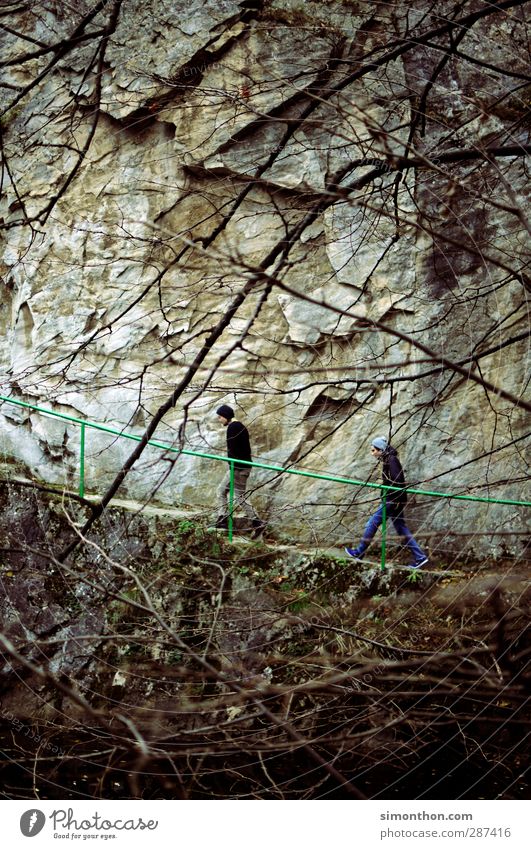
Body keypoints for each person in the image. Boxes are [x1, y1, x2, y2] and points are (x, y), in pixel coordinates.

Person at [345, 436, 428, 569]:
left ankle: (359, 552)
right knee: (401, 527)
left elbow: (398, 481)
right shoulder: (388, 459)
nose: (372, 453)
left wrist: (390, 495)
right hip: (395, 499)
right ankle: (420, 557)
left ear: (380, 449)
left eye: (373, 450)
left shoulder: (391, 460)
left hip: (392, 499)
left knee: (373, 522)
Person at [215, 404, 266, 538]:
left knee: (240, 498)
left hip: (238, 468)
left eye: (220, 417)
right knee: (221, 490)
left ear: (226, 416)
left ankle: (257, 523)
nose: (219, 419)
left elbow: (233, 450)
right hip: (237, 467)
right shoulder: (239, 426)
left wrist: (233, 464)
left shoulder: (233, 427)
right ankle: (222, 519)